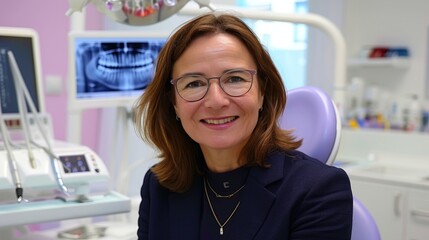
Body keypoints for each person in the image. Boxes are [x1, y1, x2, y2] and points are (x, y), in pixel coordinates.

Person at [133, 12, 353, 240]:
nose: (216, 101)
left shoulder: (318, 190)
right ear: (174, 105)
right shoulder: (159, 186)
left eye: (235, 79)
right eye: (194, 83)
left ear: (262, 92)